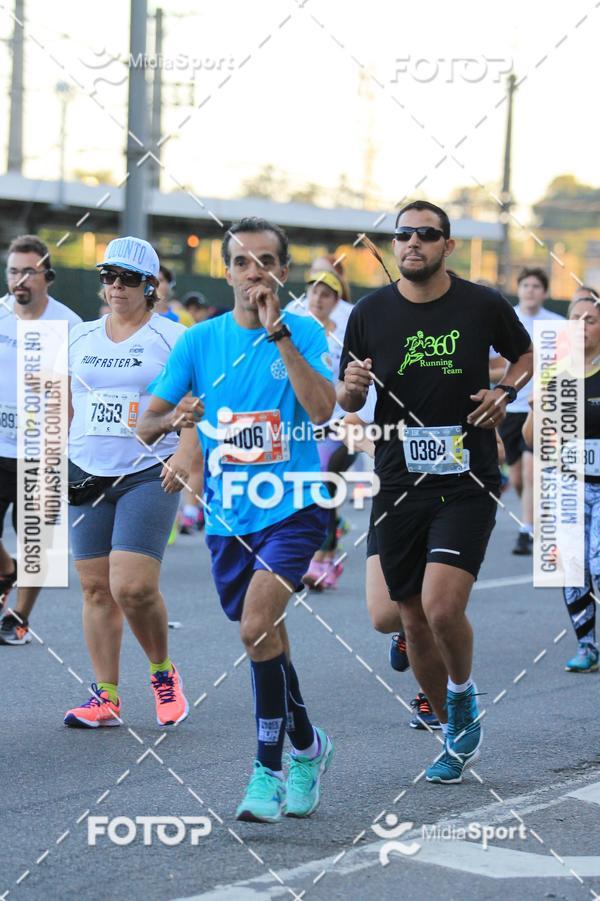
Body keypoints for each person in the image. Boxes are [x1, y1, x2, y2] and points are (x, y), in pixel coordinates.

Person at [137, 217, 336, 822]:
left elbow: (324, 410)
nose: (256, 273)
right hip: (229, 516)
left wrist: (280, 336)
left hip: (295, 505)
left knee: (255, 626)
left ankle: (267, 772)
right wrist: (179, 420)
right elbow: (148, 423)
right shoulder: (199, 341)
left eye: (268, 261)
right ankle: (309, 746)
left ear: (284, 271)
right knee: (264, 637)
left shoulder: (302, 331)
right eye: (244, 262)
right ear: (227, 271)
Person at [337, 200, 533, 783]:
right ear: (395, 245)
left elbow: (524, 356)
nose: (413, 242)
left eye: (427, 234)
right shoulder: (370, 313)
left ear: (448, 245)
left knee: (441, 608)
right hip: (398, 483)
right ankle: (452, 724)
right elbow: (348, 400)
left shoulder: (481, 304)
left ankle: (462, 693)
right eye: (404, 234)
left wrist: (507, 391)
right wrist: (349, 387)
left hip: (467, 478)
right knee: (408, 618)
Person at [63, 236, 197, 728]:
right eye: (107, 277)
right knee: (96, 588)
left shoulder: (173, 337)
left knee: (133, 587)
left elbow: (193, 404)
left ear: (150, 285)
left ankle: (162, 672)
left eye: (127, 278)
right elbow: (67, 404)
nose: (115, 287)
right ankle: (106, 697)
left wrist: (186, 450)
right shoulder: (80, 336)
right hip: (85, 469)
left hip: (147, 471)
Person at [342, 389, 440, 730]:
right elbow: (349, 425)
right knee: (384, 616)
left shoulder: (458, 369)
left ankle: (434, 695)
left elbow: (496, 447)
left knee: (437, 606)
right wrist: (378, 450)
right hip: (393, 501)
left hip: (448, 502)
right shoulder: (388, 373)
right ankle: (405, 631)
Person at [0, 234, 82, 645]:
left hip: (42, 448)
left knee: (37, 544)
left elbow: (75, 394)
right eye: (14, 271)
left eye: (29, 271)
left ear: (46, 275)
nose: (20, 280)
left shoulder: (69, 326)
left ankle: (18, 618)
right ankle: (7, 571)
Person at [523, 294, 600, 673]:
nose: (582, 326)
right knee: (573, 569)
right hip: (568, 485)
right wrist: (537, 407)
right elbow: (530, 439)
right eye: (575, 319)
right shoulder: (555, 373)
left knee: (598, 565)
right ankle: (587, 646)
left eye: (590, 319)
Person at [491, 267, 563, 555]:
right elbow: (490, 364)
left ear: (544, 292)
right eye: (525, 285)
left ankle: (527, 531)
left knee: (535, 472)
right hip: (510, 406)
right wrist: (509, 375)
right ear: (518, 289)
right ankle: (531, 518)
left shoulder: (557, 324)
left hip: (541, 408)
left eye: (536, 286)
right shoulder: (506, 318)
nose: (530, 290)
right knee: (518, 478)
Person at [302, 269, 355, 590]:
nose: (318, 299)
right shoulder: (296, 332)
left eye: (326, 294)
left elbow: (354, 383)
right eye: (314, 292)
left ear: (336, 301)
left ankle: (319, 560)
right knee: (323, 492)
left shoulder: (344, 337)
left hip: (340, 425)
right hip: (304, 426)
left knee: (324, 482)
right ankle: (328, 557)